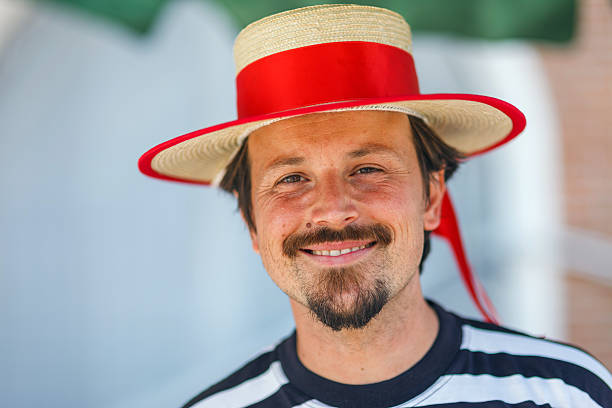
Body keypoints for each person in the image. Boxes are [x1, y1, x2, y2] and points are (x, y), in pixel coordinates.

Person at [138, 4, 611, 407]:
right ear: (253, 225)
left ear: (432, 197)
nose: (332, 209)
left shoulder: (564, 394)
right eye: (291, 178)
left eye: (367, 169)